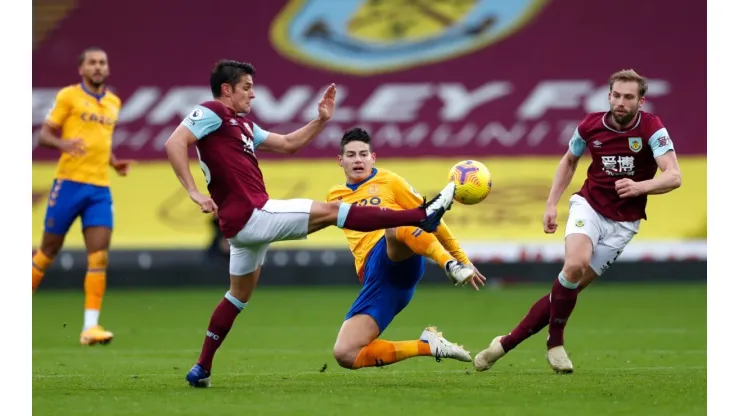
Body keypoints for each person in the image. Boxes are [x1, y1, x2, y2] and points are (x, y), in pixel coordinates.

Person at [163, 59, 457, 387]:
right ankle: (421, 214)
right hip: (254, 214)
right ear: (226, 89)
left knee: (237, 296)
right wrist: (192, 191)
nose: (253, 94)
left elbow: (288, 144)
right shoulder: (212, 112)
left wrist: (320, 120)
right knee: (334, 211)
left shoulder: (243, 126)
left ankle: (202, 368)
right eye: (246, 87)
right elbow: (175, 142)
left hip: (242, 232)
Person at [473, 69, 682, 374]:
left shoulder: (651, 128)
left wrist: (640, 187)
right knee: (574, 265)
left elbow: (674, 176)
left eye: (629, 97)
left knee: (566, 290)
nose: (621, 102)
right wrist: (551, 203)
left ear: (641, 101)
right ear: (609, 95)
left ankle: (504, 344)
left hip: (624, 223)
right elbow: (570, 160)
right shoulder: (590, 125)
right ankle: (554, 343)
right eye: (616, 95)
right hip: (590, 207)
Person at [327, 127, 486, 370]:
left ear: (373, 158)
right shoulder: (334, 196)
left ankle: (448, 265)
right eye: (351, 155)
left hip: (397, 254)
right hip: (378, 281)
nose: (358, 160)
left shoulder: (391, 181)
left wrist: (460, 259)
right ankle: (427, 345)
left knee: (394, 223)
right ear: (340, 161)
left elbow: (432, 219)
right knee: (346, 353)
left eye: (363, 154)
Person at [32, 47, 135, 346]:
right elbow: (44, 135)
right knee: (47, 252)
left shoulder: (114, 102)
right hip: (69, 184)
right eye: (92, 63)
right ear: (81, 69)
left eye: (102, 62)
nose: (98, 67)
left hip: (99, 188)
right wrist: (63, 143)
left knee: (99, 254)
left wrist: (114, 162)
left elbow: (101, 142)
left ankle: (90, 327)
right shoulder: (69, 96)